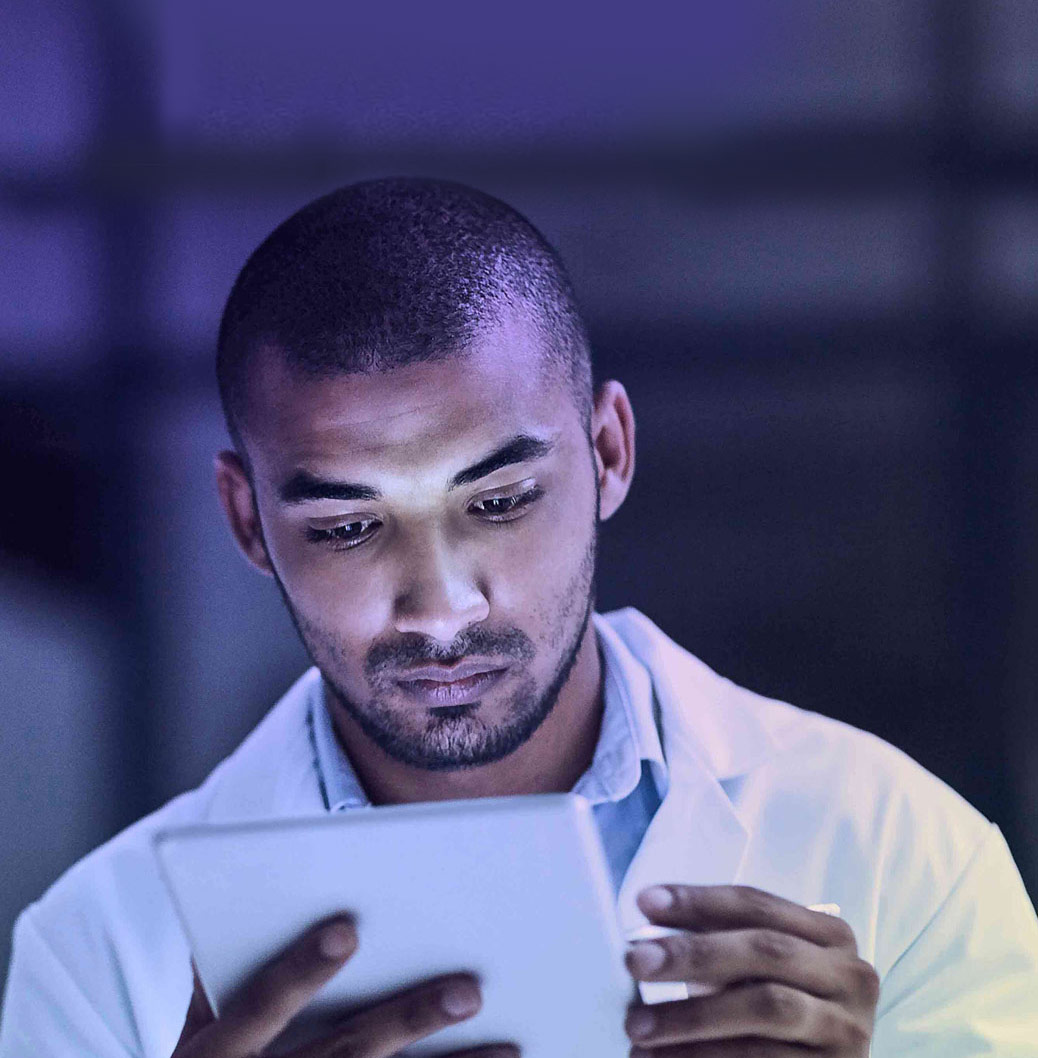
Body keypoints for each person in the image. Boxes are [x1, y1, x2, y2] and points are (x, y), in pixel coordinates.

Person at [2, 178, 1036, 1058]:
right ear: (248, 519)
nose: (442, 603)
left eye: (498, 501)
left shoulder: (909, 861)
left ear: (610, 453)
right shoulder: (98, 954)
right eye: (350, 525)